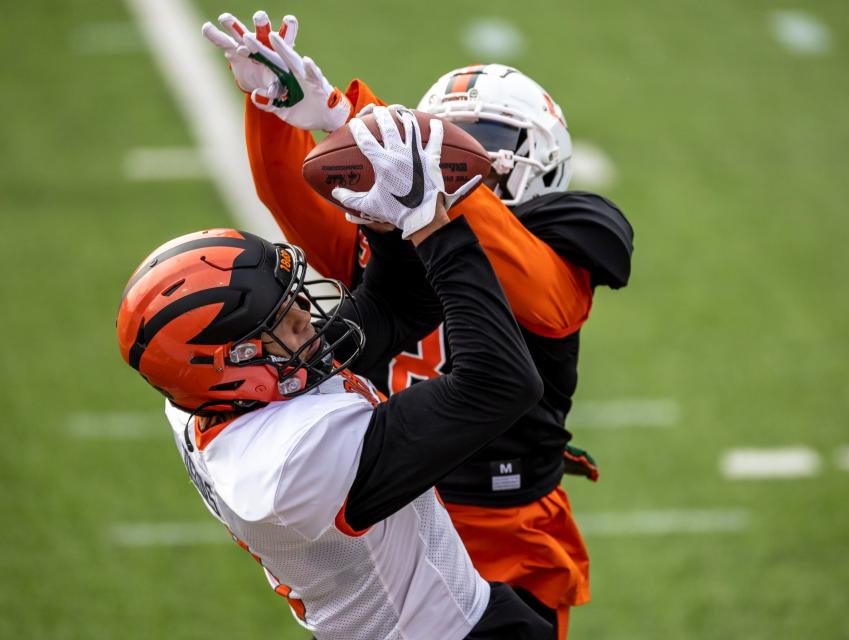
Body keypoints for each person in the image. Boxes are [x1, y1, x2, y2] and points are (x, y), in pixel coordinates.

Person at [202, 12, 634, 638]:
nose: (470, 152)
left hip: (505, 521)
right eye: (451, 136)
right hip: (398, 505)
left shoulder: (568, 235)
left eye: (486, 138)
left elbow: (540, 297)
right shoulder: (391, 226)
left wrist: (366, 128)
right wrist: (277, 111)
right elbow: (292, 201)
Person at [116, 108, 554, 639]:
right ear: (229, 366)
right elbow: (501, 383)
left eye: (291, 298)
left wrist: (385, 223)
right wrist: (432, 227)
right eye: (282, 321)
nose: (305, 315)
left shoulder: (208, 395)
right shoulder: (293, 464)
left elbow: (394, 310)